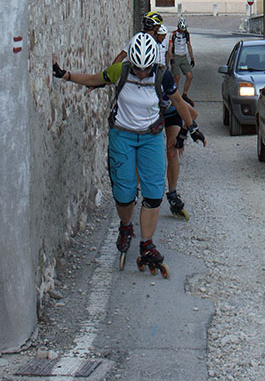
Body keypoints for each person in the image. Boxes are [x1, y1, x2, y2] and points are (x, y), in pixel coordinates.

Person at [52, 32, 206, 274]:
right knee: (124, 193)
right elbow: (95, 79)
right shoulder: (121, 72)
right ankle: (125, 227)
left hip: (151, 137)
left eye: (146, 69)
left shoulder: (162, 75)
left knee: (154, 193)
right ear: (131, 62)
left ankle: (147, 245)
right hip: (122, 136)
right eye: (138, 68)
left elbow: (177, 102)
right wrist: (66, 75)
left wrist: (193, 127)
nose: (142, 73)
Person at [167, 16, 195, 106]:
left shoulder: (187, 34)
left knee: (189, 76)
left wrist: (192, 58)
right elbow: (170, 47)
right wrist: (171, 58)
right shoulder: (173, 34)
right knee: (176, 77)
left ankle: (184, 94)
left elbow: (189, 46)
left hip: (183, 56)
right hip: (175, 56)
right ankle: (175, 96)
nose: (182, 31)